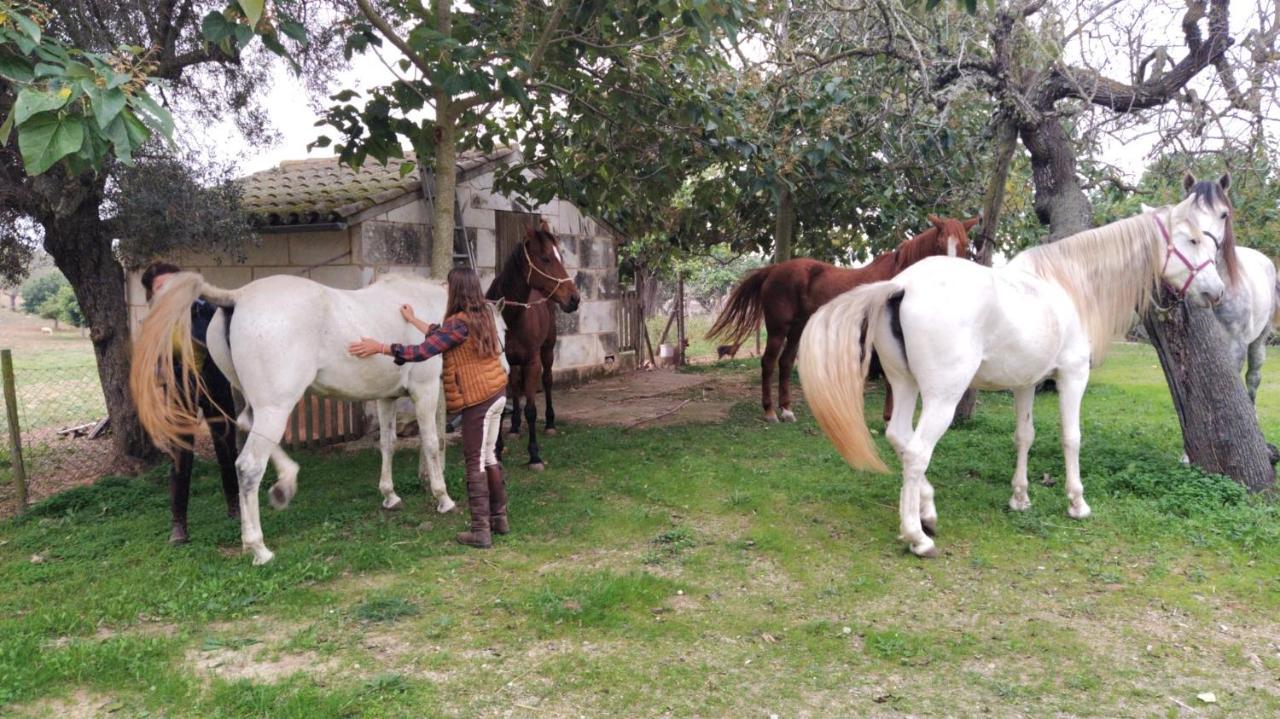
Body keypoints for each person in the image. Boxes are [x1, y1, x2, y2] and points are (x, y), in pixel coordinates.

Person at [349, 268, 509, 548]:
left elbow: (422, 352)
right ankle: (499, 518)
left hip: (479, 400)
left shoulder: (459, 322)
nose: (445, 290)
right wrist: (413, 320)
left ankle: (481, 531)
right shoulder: (483, 314)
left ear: (456, 290)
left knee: (475, 463)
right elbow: (440, 335)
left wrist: (380, 347)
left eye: (449, 286)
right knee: (489, 457)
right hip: (497, 394)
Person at [140, 262, 241, 544]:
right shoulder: (155, 323)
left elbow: (230, 321)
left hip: (214, 383)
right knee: (181, 456)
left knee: (226, 447)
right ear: (152, 294)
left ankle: (234, 504)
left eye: (175, 282)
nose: (170, 289)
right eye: (161, 286)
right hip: (179, 389)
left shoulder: (205, 308)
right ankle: (179, 524)